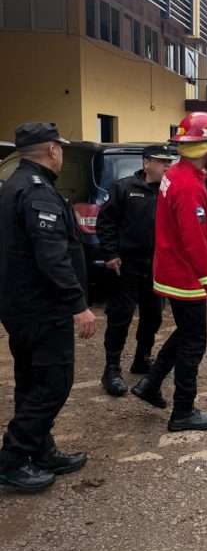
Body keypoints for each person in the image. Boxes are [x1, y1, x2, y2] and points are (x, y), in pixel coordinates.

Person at [0, 122, 96, 492]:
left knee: (31, 379)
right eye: (61, 149)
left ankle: (40, 450)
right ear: (52, 150)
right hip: (42, 308)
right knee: (55, 382)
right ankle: (11, 459)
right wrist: (77, 303)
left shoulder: (14, 184)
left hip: (20, 305)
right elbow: (52, 257)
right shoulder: (38, 193)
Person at [131, 112, 207, 432]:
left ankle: (151, 384)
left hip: (171, 270)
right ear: (206, 146)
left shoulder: (177, 173)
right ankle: (183, 411)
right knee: (195, 340)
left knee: (185, 331)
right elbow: (194, 241)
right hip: (185, 274)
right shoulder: (188, 185)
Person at [96, 145, 173, 397]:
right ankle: (111, 369)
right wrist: (110, 254)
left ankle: (142, 358)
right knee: (121, 317)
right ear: (147, 163)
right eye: (161, 161)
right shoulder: (124, 188)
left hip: (155, 267)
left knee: (153, 316)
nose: (166, 166)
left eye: (167, 161)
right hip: (126, 266)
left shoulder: (167, 190)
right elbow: (106, 222)